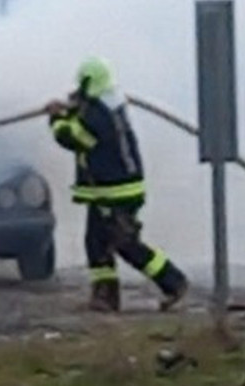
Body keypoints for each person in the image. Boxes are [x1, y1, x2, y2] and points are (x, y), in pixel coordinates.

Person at [47, 56, 188, 313]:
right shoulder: (107, 104)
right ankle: (105, 296)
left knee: (125, 243)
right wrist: (70, 109)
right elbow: (82, 122)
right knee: (96, 242)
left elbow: (74, 137)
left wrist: (56, 118)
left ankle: (173, 281)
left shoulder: (98, 114)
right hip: (108, 191)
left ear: (88, 82)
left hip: (115, 192)